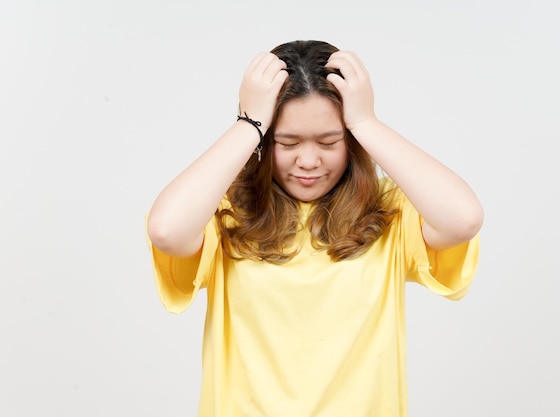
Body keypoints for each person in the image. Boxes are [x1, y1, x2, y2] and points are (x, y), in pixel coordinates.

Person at [146, 40, 483, 417]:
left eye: (329, 141)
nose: (308, 160)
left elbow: (463, 218)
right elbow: (167, 231)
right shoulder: (225, 214)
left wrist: (366, 122)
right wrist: (249, 123)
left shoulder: (389, 212)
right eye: (286, 142)